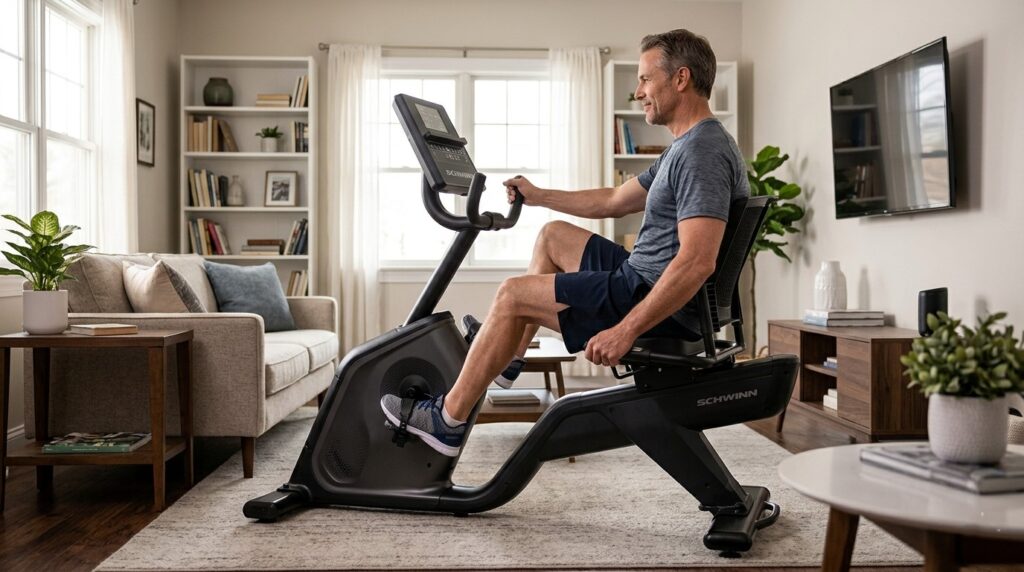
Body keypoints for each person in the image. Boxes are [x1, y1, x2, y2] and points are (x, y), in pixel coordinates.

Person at [380, 29, 750, 457]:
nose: (638, 92)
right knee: (553, 235)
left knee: (512, 295)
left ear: (681, 79)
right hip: (640, 277)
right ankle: (511, 356)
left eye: (646, 79)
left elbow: (696, 261)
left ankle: (446, 421)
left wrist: (625, 330)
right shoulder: (685, 147)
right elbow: (613, 200)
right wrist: (539, 196)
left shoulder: (700, 152)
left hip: (648, 297)